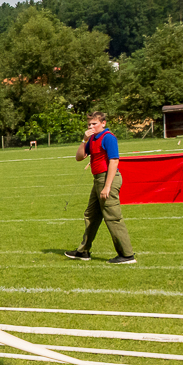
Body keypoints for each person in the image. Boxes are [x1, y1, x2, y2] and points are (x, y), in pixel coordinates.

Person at [65, 112, 136, 264]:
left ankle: (127, 255)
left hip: (108, 178)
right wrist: (84, 140)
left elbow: (114, 161)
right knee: (91, 215)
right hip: (98, 180)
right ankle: (83, 251)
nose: (91, 127)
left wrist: (107, 186)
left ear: (103, 123)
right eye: (89, 124)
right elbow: (79, 157)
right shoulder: (91, 139)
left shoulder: (108, 137)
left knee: (112, 216)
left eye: (94, 124)